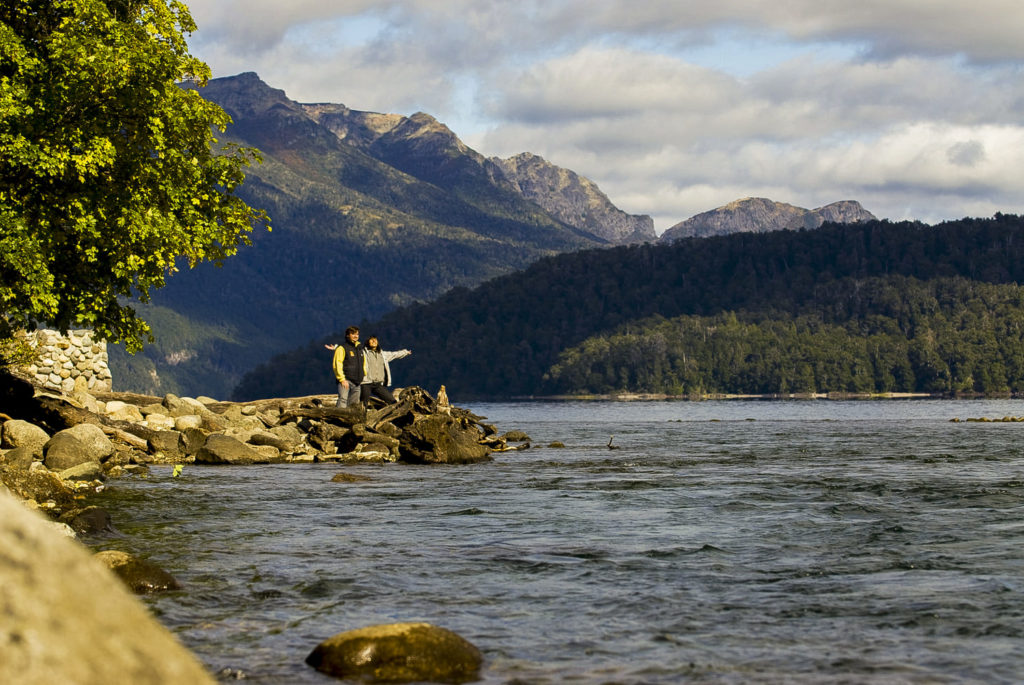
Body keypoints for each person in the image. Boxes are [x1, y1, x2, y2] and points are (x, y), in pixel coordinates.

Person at [359, 335, 411, 405]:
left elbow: (394, 354)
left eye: (375, 339)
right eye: (371, 340)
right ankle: (361, 415)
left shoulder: (382, 354)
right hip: (366, 383)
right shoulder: (363, 353)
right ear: (367, 342)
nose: (374, 341)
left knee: (392, 401)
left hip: (378, 384)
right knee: (363, 404)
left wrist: (405, 352)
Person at [331, 326, 364, 408]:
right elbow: (337, 364)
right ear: (347, 335)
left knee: (354, 404)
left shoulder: (359, 348)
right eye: (353, 334)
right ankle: (339, 419)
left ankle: (351, 420)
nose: (356, 336)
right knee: (343, 400)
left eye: (357, 334)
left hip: (357, 381)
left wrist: (363, 375)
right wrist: (342, 379)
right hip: (346, 380)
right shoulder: (342, 348)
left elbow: (364, 363)